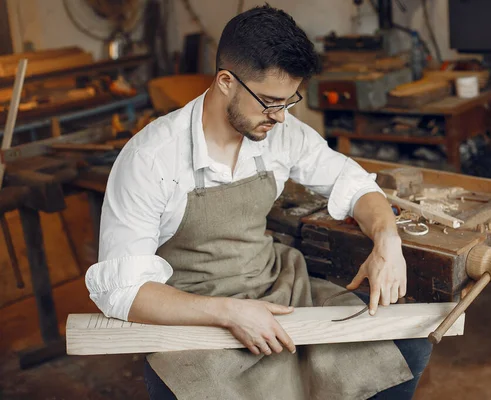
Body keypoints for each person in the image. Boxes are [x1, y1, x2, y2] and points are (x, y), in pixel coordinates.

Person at [85, 5, 432, 400]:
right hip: (195, 310)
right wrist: (226, 312)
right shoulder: (151, 159)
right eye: (269, 102)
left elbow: (352, 183)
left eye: (288, 102)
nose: (281, 118)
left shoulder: (278, 131)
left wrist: (388, 241)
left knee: (405, 350)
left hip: (277, 286)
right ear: (226, 82)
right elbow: (123, 292)